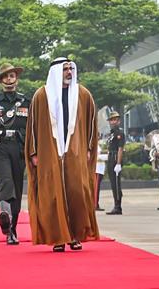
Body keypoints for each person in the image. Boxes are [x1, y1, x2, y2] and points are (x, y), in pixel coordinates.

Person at [25, 57, 100, 252]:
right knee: (53, 196)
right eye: (65, 69)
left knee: (77, 193)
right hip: (49, 153)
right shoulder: (41, 96)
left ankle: (75, 236)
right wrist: (34, 152)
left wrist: (89, 149)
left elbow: (92, 123)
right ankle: (58, 237)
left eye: (70, 69)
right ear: (56, 72)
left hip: (75, 153)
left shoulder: (83, 95)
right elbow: (32, 127)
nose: (69, 72)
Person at [0, 63, 30, 245]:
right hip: (1, 147)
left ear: (16, 79)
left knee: (17, 189)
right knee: (7, 181)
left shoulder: (26, 102)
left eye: (12, 76)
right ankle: (4, 214)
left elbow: (33, 128)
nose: (9, 79)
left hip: (19, 148)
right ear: (1, 81)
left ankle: (12, 229)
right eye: (6, 77)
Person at [106, 111, 125, 215]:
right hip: (110, 157)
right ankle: (115, 204)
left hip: (115, 158)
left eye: (115, 120)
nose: (113, 122)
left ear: (118, 121)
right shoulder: (112, 133)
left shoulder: (119, 133)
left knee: (117, 184)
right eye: (111, 120)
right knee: (113, 184)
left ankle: (118, 207)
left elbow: (120, 149)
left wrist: (118, 163)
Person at [95, 140, 107, 211]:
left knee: (97, 188)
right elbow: (97, 157)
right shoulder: (95, 146)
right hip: (97, 169)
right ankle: (95, 204)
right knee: (96, 189)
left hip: (100, 169)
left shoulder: (98, 145)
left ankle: (96, 203)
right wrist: (108, 156)